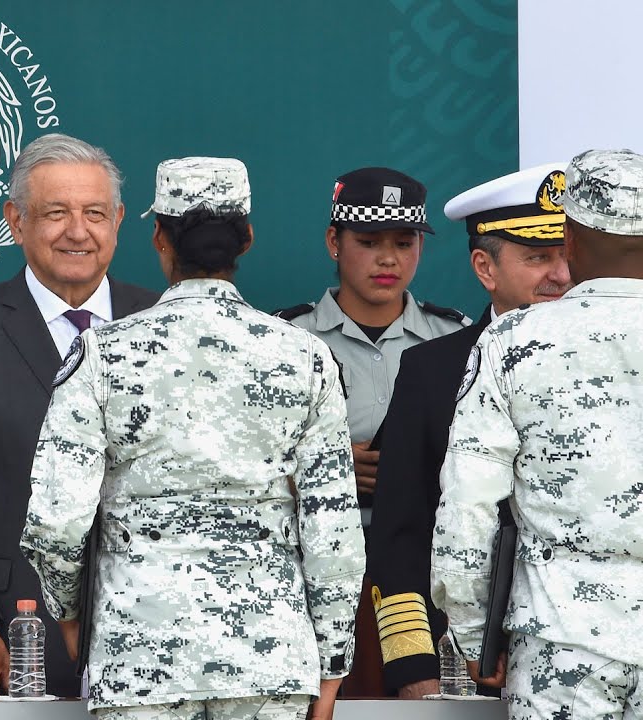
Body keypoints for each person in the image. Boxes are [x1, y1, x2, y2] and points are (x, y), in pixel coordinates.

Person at [21, 157, 365, 720]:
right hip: (269, 662)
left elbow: (56, 520)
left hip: (140, 656)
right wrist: (331, 665)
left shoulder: (102, 355)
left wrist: (71, 616)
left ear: (159, 237)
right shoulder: (304, 356)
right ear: (246, 238)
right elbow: (334, 533)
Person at [0, 132, 158, 698]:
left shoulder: (163, 324)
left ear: (118, 222)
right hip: (14, 641)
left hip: (157, 638)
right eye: (56, 213)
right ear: (16, 222)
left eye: (95, 213)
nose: (78, 231)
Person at [432, 148, 643, 719]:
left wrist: (475, 636)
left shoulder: (513, 341)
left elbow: (468, 507)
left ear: (569, 240)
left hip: (561, 644)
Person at [367, 164, 570, 699]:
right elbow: (401, 531)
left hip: (592, 651)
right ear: (485, 267)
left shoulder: (616, 361)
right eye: (538, 257)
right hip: (466, 657)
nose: (560, 275)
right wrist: (413, 665)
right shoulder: (431, 370)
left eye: (568, 255)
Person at [275, 167, 468, 507]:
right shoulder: (285, 339)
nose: (388, 259)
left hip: (428, 535)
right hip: (318, 534)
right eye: (368, 242)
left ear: (421, 246)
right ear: (334, 242)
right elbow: (246, 458)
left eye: (404, 243)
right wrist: (322, 465)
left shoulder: (456, 337)